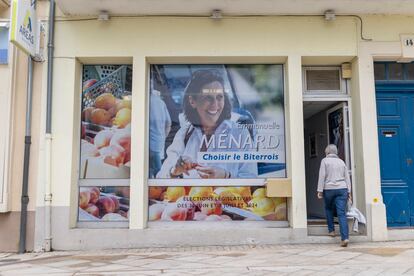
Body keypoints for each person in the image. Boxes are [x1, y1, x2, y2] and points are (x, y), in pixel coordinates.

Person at [157, 70, 257, 179]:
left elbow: (251, 180)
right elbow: (159, 180)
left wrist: (226, 176)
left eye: (219, 97)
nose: (215, 104)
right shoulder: (184, 134)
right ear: (192, 101)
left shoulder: (239, 133)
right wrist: (173, 171)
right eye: (208, 97)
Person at [317, 144, 351, 247]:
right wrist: (349, 191)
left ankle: (331, 230)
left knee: (328, 208)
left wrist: (319, 190)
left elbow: (322, 175)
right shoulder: (341, 162)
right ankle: (345, 238)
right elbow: (347, 177)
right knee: (341, 213)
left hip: (329, 189)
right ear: (336, 152)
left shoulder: (325, 161)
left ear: (327, 152)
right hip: (342, 188)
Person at [149, 88, 171, 178]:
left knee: (156, 174)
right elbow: (168, 124)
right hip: (158, 144)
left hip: (151, 146)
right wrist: (162, 138)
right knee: (157, 173)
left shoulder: (145, 101)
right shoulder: (160, 103)